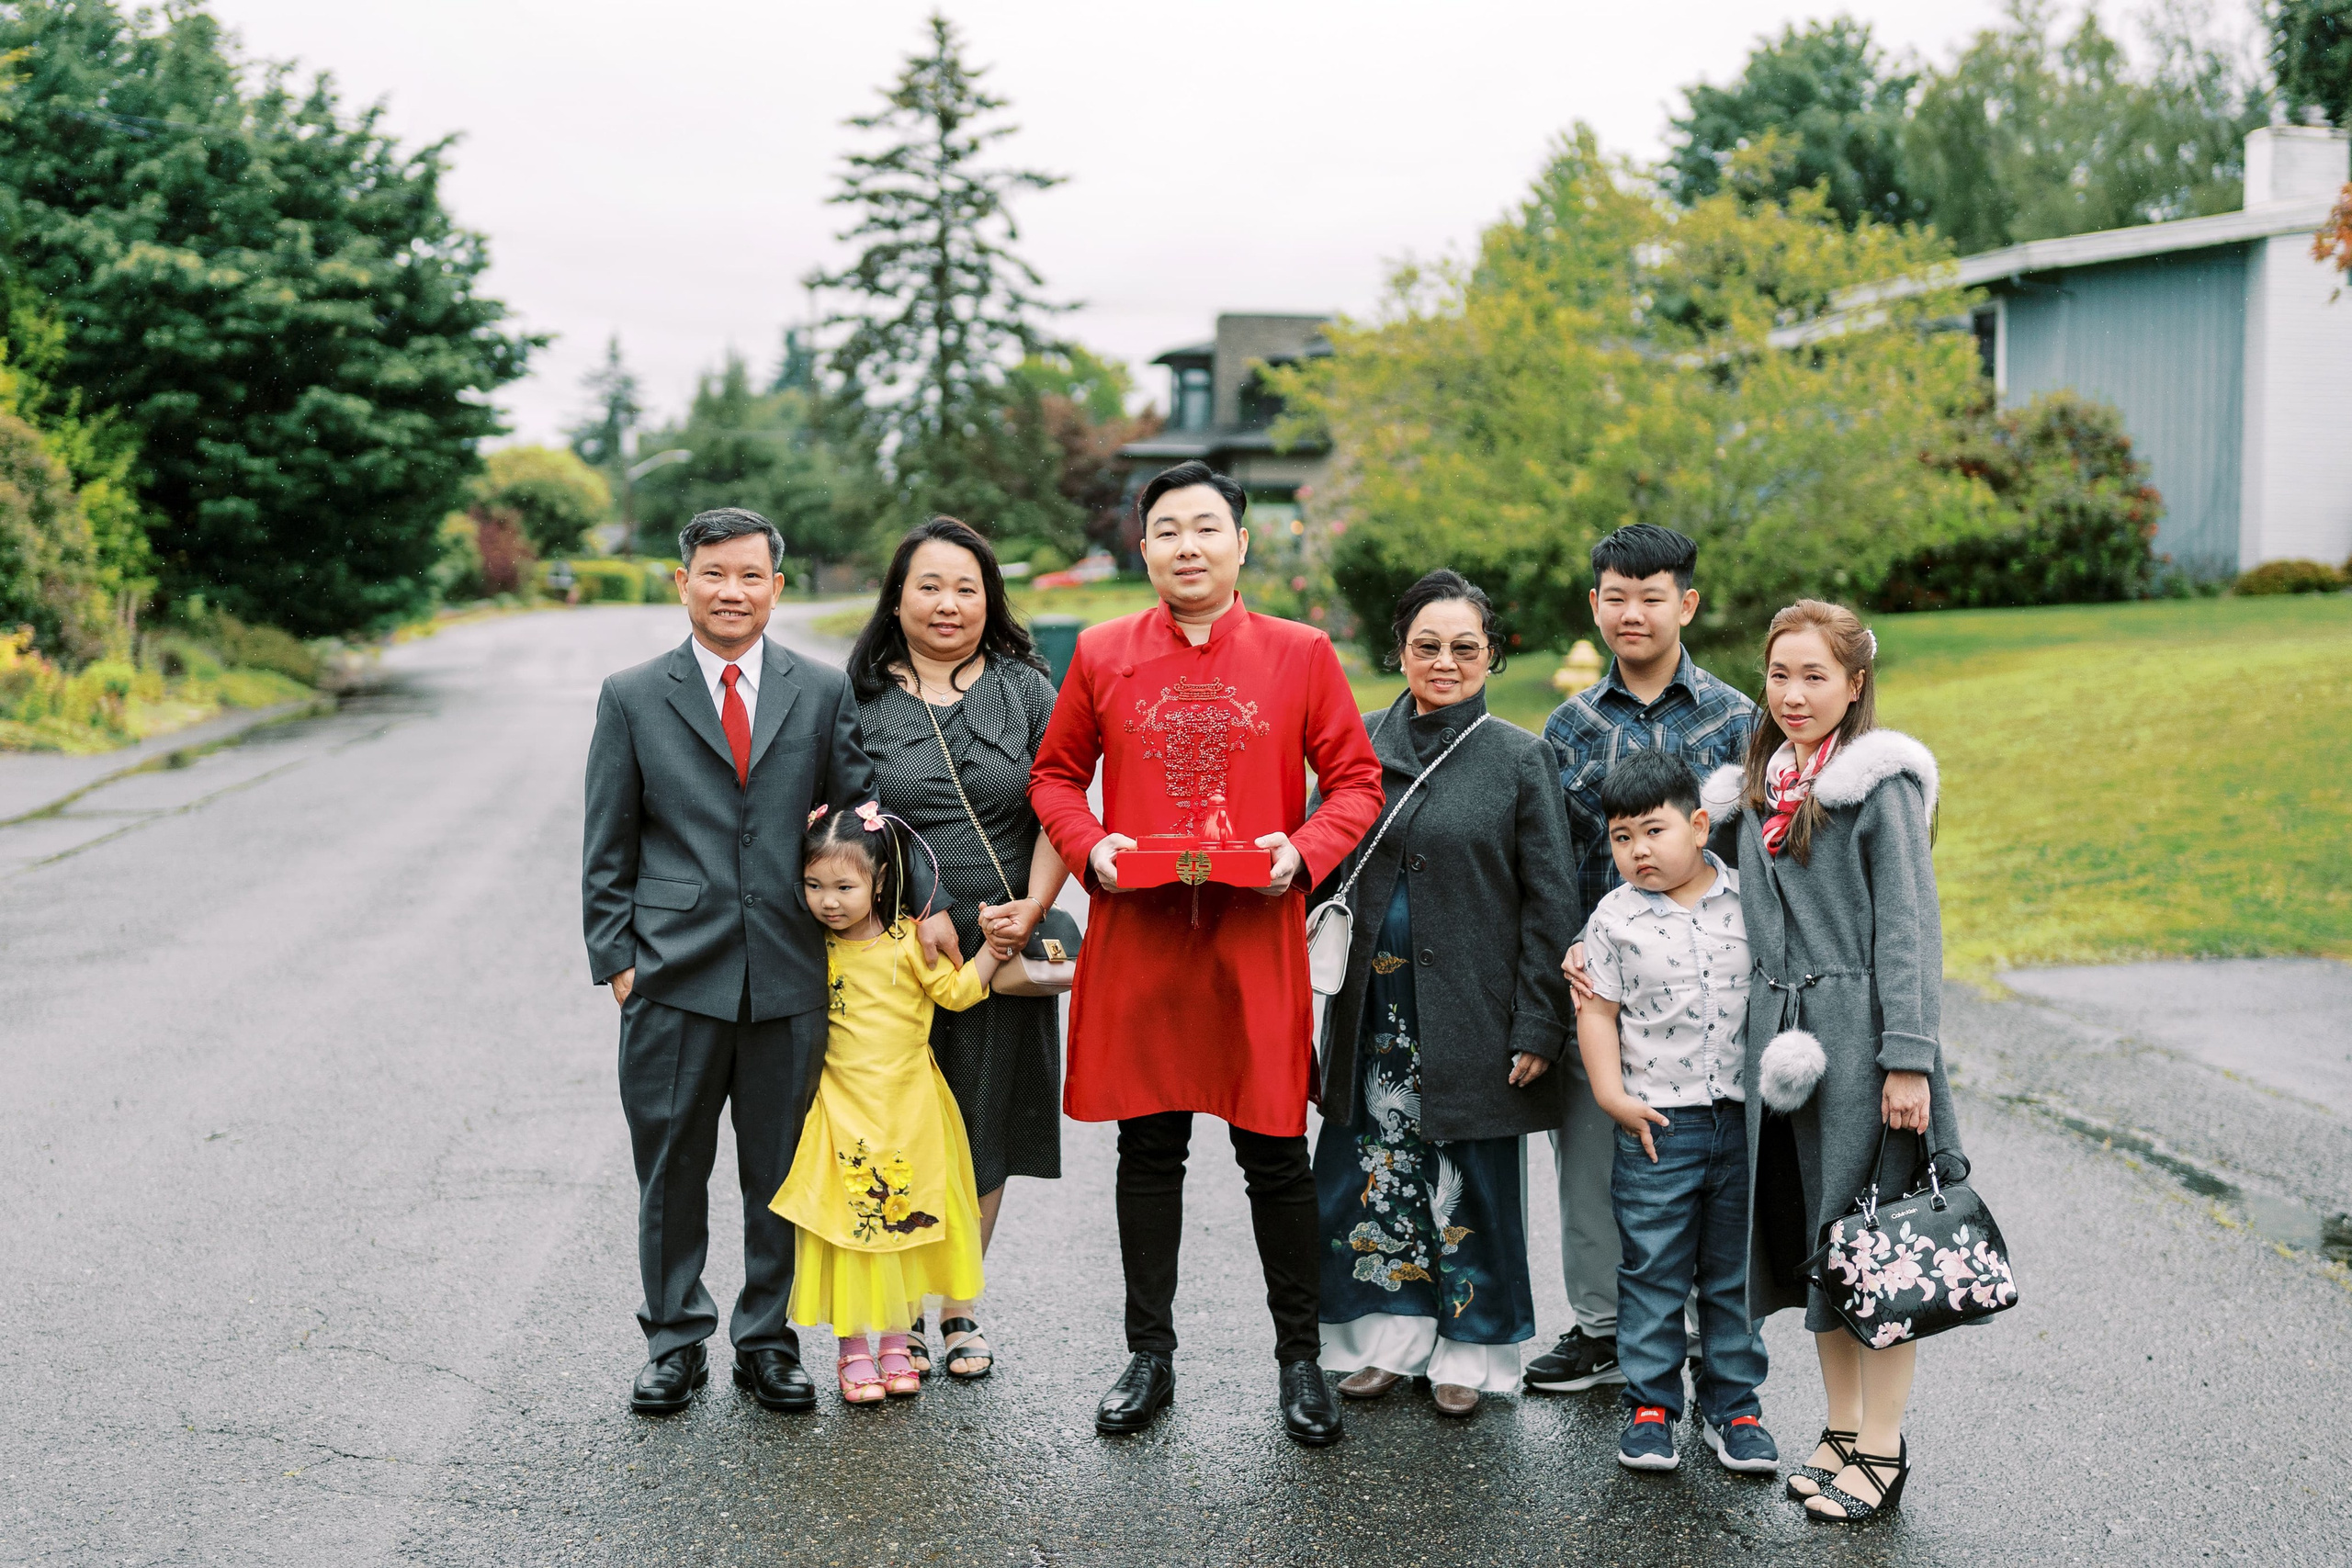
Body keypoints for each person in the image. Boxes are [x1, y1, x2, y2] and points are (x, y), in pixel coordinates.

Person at [1028, 459, 1385, 1447]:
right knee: (1149, 1150)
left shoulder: (1300, 652)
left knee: (1275, 1154)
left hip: (1251, 937)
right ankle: (1149, 1354)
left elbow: (1355, 781)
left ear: (1242, 542)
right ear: (1142, 548)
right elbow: (1055, 776)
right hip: (1141, 937)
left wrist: (1300, 852)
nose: (1188, 547)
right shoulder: (1101, 651)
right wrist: (1091, 846)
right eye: (1167, 531)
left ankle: (1300, 1359)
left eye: (1206, 528)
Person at [582, 507, 958, 1417]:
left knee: (782, 1171)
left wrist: (924, 906)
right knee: (670, 1167)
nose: (732, 591)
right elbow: (607, 840)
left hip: (791, 973)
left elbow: (862, 818)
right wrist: (618, 960)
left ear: (776, 587)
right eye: (713, 574)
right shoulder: (632, 695)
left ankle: (766, 1341)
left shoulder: (818, 690)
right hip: (672, 973)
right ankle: (674, 1340)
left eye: (750, 575)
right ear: (683, 582)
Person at [1697, 599, 1952, 1522]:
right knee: (1819, 1249)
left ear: (1854, 684)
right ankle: (1841, 1428)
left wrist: (1907, 1059)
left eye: (1815, 675)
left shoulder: (1879, 788)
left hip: (1863, 1047)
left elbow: (1908, 931)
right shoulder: (1761, 791)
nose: (1793, 694)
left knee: (1874, 1251)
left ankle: (1882, 1445)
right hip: (1780, 1048)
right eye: (1779, 674)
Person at [1308, 570, 1581, 1418]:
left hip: (1475, 1013)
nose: (1445, 661)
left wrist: (1539, 1020)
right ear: (1400, 651)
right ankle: (1384, 1343)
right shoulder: (1357, 742)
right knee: (1371, 1174)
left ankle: (1469, 1351)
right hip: (1372, 1012)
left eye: (1466, 646)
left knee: (1471, 1183)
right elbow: (1318, 862)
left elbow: (1552, 904)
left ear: (1492, 654)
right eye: (1427, 645)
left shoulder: (1520, 757)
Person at [1532, 524, 1757, 1396]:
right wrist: (1566, 950)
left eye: (1651, 596)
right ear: (1595, 604)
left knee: (1705, 1162)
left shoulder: (1737, 719)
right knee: (1592, 1160)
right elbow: (1549, 857)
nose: (1632, 612)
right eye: (1616, 597)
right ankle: (1602, 1327)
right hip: (1602, 980)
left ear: (1685, 604)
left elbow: (1760, 857)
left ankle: (1702, 1328)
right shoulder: (1569, 726)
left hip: (1707, 989)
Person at [844, 516, 1069, 1380]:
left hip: (1002, 947)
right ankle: (898, 1310)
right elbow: (842, 825)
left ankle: (960, 1305)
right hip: (896, 950)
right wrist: (917, 903)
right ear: (897, 597)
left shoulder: (1027, 689)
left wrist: (1033, 906)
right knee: (896, 1121)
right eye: (929, 586)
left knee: (984, 1120)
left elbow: (1058, 803)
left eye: (966, 588)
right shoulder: (856, 696)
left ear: (990, 599)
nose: (948, 603)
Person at [1575, 750, 1776, 1475]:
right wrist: (1611, 1096)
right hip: (1657, 1124)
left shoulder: (1749, 899)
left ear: (1698, 826)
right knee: (1653, 1268)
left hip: (1742, 1120)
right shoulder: (1613, 917)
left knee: (1732, 1272)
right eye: (1622, 837)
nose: (1638, 850)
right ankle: (1650, 1405)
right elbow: (1597, 1011)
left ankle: (1734, 1406)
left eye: (1653, 831)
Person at [769, 802, 1007, 1404]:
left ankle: (897, 1345)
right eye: (814, 885)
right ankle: (853, 1351)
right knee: (852, 1225)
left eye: (844, 887)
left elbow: (956, 993)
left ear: (877, 880)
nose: (829, 901)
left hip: (909, 1110)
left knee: (902, 1218)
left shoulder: (909, 940)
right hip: (842, 1107)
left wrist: (995, 950)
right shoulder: (812, 948)